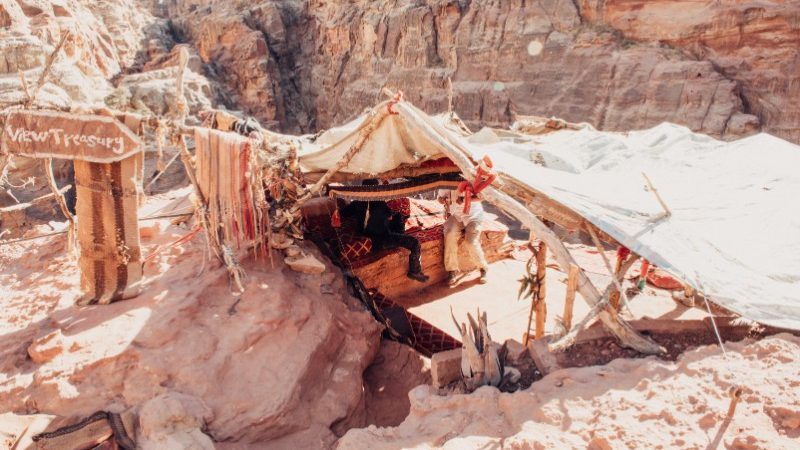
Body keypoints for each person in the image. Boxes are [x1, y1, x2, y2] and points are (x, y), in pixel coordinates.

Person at [341, 181, 429, 283]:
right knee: (414, 242)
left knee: (396, 216)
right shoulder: (380, 204)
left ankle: (399, 237)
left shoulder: (356, 203)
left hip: (367, 234)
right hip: (380, 241)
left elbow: (343, 213)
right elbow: (389, 216)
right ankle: (415, 271)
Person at [438, 188, 488, 286]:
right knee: (450, 234)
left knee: (470, 242)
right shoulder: (445, 181)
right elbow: (439, 198)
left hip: (473, 215)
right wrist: (442, 200)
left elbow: (482, 197)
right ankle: (452, 270)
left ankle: (483, 268)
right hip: (456, 215)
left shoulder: (470, 180)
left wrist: (464, 199)